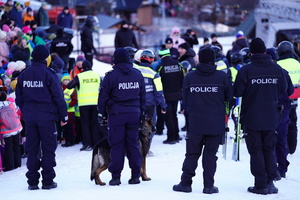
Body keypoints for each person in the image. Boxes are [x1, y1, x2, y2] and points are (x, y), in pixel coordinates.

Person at [173, 47, 233, 194]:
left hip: (195, 123)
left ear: (199, 59)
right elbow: (229, 97)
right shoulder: (222, 77)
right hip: (215, 123)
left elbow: (185, 99)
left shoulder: (190, 77)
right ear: (213, 59)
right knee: (211, 155)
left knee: (192, 154)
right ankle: (208, 186)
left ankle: (185, 183)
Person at [234, 37, 287, 195]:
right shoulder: (276, 69)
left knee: (256, 150)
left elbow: (237, 92)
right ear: (265, 51)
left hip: (252, 117)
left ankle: (260, 184)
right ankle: (270, 181)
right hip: (271, 116)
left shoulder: (246, 70)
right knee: (269, 149)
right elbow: (283, 88)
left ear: (251, 52)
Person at [15, 45, 68, 190]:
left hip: (30, 118)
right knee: (48, 149)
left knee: (32, 149)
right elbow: (58, 97)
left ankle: (32, 182)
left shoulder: (24, 74)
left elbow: (19, 98)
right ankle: (48, 181)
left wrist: (27, 111)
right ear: (46, 57)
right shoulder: (49, 74)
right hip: (47, 118)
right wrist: (63, 115)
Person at [98, 48, 146, 186]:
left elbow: (103, 98)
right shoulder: (137, 74)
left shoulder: (110, 76)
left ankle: (116, 177)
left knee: (117, 145)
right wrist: (141, 113)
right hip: (134, 114)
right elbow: (143, 96)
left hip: (116, 115)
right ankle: (136, 175)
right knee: (133, 144)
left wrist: (102, 114)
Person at [67, 60, 101, 151]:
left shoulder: (80, 76)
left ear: (82, 68)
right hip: (95, 103)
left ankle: (87, 144)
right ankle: (96, 143)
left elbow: (69, 86)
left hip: (84, 104)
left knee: (85, 124)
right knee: (94, 123)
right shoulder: (97, 75)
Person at [156, 48, 184, 144]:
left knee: (168, 116)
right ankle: (176, 135)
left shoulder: (160, 67)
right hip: (177, 94)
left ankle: (171, 137)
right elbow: (183, 79)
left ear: (160, 56)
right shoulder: (178, 64)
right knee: (174, 115)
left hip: (166, 96)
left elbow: (157, 83)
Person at [277, 41, 300, 155]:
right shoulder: (297, 63)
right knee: (293, 122)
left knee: (282, 122)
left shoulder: (279, 64)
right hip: (296, 95)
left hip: (283, 98)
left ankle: (284, 146)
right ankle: (292, 147)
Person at [0, 90, 22, 172]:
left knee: (9, 148)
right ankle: (18, 163)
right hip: (16, 127)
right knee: (16, 146)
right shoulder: (10, 104)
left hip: (6, 130)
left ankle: (10, 166)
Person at [61, 73, 77, 147]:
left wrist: (69, 105)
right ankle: (66, 140)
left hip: (70, 111)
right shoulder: (60, 89)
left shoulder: (71, 90)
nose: (66, 82)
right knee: (65, 127)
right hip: (62, 111)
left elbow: (75, 100)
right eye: (65, 80)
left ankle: (71, 141)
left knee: (70, 127)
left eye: (68, 80)